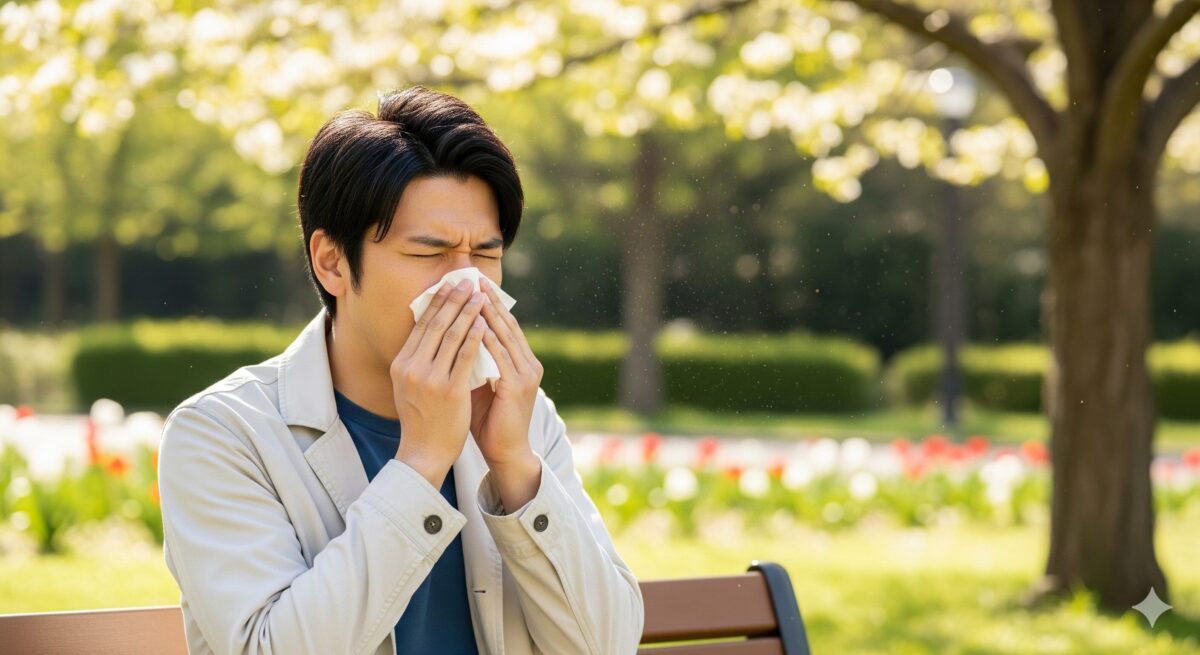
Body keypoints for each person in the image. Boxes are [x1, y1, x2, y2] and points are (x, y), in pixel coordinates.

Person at [157, 86, 644, 654]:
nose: (468, 288)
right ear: (332, 263)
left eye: (486, 254)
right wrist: (421, 462)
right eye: (427, 254)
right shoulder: (224, 434)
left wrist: (514, 466)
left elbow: (607, 646)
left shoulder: (521, 416)